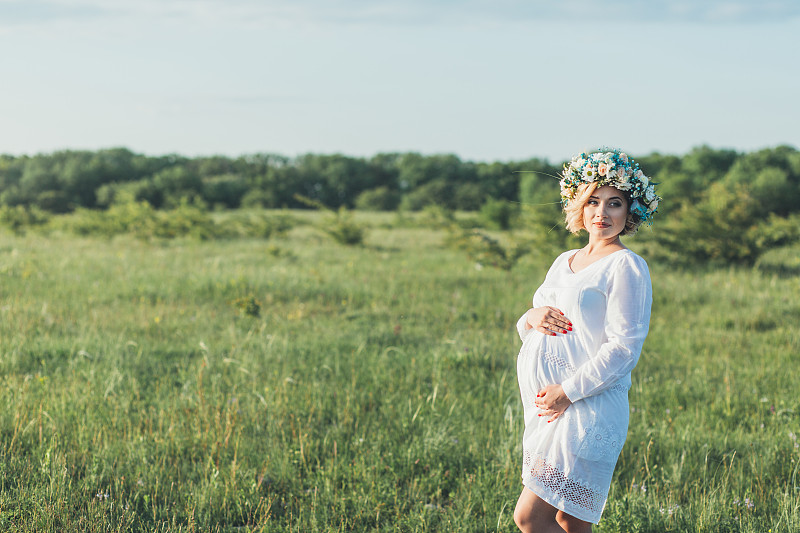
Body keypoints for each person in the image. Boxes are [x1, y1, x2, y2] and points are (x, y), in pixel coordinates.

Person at [513, 149, 660, 532]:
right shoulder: (564, 260)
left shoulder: (627, 266)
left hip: (587, 405)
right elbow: (534, 323)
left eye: (615, 203)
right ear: (579, 205)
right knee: (570, 522)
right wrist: (529, 317)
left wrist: (568, 390)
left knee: (530, 517)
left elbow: (624, 348)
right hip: (546, 408)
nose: (602, 212)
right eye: (593, 200)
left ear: (631, 212)